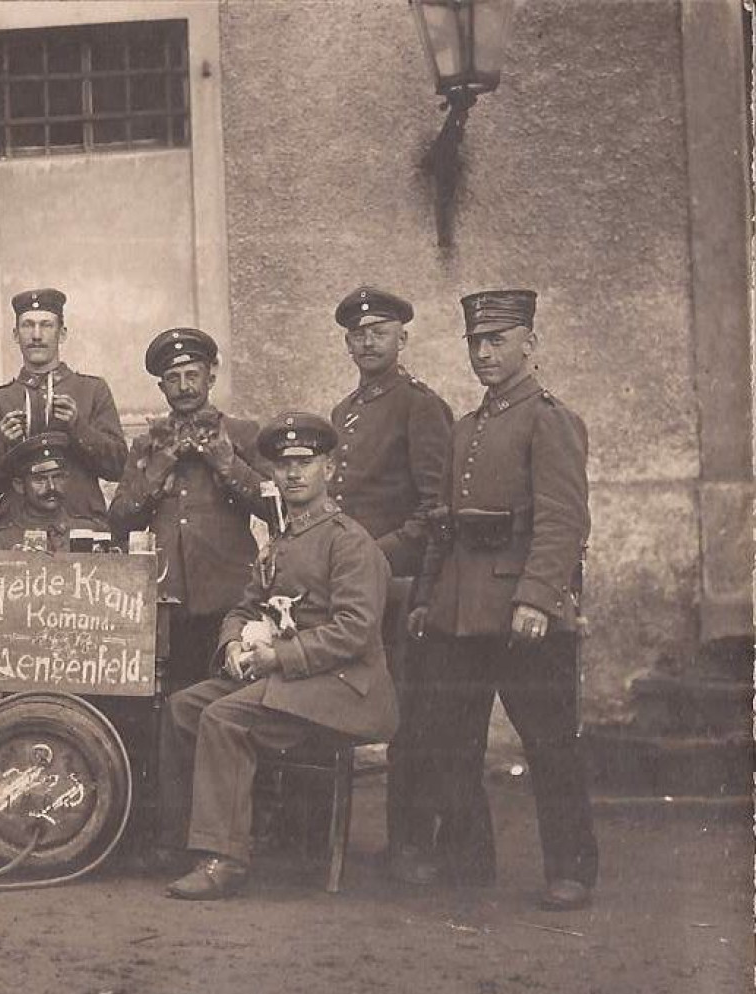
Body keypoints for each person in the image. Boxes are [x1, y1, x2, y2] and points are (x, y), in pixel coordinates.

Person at [407, 289, 598, 912]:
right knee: (450, 740)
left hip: (524, 614)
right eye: (475, 343)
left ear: (529, 344)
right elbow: (445, 522)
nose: (484, 353)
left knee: (549, 743)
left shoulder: (550, 419)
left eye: (497, 340)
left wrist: (538, 599)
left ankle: (570, 869)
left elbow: (564, 520)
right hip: (459, 612)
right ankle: (468, 859)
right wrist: (427, 596)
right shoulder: (468, 426)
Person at [156, 413, 398, 899]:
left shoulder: (348, 542)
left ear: (328, 469)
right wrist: (230, 645)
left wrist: (276, 657)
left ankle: (223, 859)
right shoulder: (282, 540)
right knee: (183, 707)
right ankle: (186, 841)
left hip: (344, 688)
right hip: (292, 678)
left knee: (224, 718)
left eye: (305, 463)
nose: (292, 473)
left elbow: (354, 631)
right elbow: (245, 606)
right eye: (283, 464)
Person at [324, 287, 454, 884]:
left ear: (403, 338)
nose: (368, 341)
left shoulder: (419, 406)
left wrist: (374, 558)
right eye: (358, 333)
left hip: (399, 583)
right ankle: (324, 842)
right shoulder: (343, 414)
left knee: (410, 716)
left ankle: (410, 845)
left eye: (380, 331)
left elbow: (435, 512)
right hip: (351, 591)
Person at [109, 326, 267, 693]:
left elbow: (276, 509)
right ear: (162, 388)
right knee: (173, 704)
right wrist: (156, 472)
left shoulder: (242, 434)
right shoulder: (148, 445)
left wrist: (229, 465)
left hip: (229, 598)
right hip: (169, 601)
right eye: (173, 379)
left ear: (211, 377)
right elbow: (118, 519)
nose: (184, 386)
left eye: (193, 375)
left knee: (231, 700)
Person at [0, 288, 127, 531]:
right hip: (17, 530)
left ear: (62, 333)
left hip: (82, 525)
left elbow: (118, 467)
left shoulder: (92, 390)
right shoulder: (0, 400)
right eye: (27, 326)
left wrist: (79, 427)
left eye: (46, 325)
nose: (36, 335)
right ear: (15, 335)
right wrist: (5, 446)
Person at [0, 432, 108, 551]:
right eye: (40, 480)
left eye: (58, 477)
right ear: (20, 485)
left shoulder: (92, 533)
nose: (51, 487)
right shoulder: (0, 544)